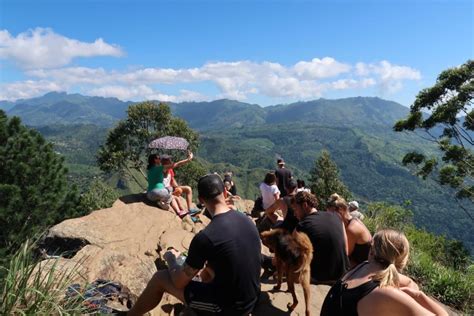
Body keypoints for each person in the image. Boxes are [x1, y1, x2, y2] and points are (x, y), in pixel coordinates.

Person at [128, 174, 262, 316]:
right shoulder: (247, 220)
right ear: (224, 192)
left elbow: (179, 282)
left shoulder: (206, 237)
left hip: (229, 308)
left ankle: (130, 315)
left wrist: (171, 259)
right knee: (206, 271)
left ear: (201, 200)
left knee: (160, 278)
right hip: (252, 297)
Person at [321, 229, 448, 316]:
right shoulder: (386, 293)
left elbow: (407, 281)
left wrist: (410, 286)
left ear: (372, 252)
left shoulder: (362, 267)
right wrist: (418, 296)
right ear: (403, 260)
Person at [292, 191, 349, 284]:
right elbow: (346, 251)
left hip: (319, 278)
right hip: (343, 275)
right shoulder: (337, 217)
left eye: (295, 209)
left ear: (305, 205)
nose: (295, 214)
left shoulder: (302, 225)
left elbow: (293, 257)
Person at [333, 198, 372, 268]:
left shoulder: (351, 229)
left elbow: (345, 254)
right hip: (362, 262)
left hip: (362, 265)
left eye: (332, 215)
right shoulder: (354, 220)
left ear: (340, 211)